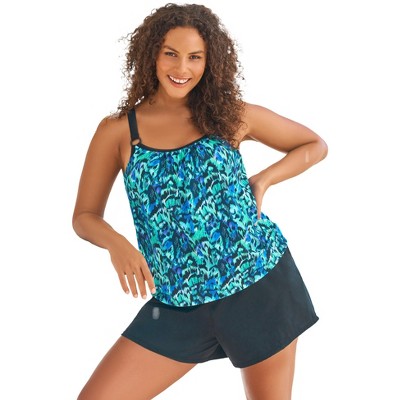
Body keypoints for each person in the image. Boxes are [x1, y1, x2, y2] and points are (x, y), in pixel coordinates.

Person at [72, 3, 328, 399]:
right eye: (171, 53)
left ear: (210, 62)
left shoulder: (230, 116)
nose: (182, 67)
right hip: (177, 301)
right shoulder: (119, 131)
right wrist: (117, 244)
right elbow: (85, 215)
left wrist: (263, 180)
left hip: (257, 285)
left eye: (195, 57)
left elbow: (313, 145)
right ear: (152, 53)